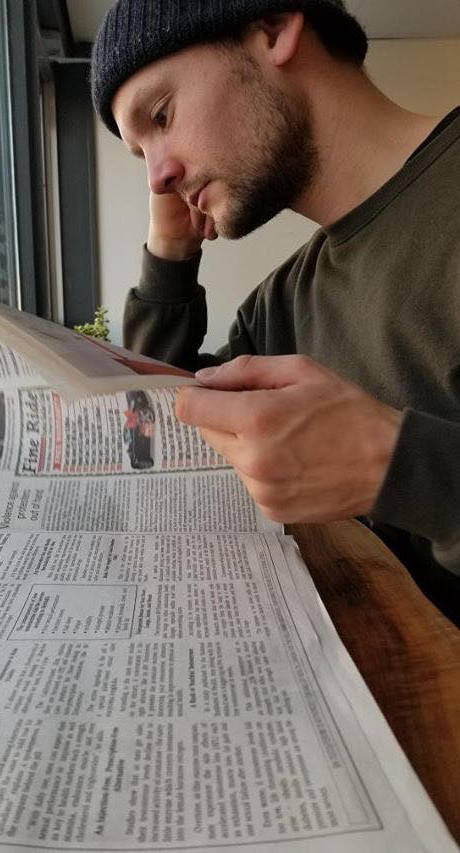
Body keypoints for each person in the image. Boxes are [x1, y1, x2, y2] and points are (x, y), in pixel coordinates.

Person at [91, 0, 460, 623]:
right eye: (141, 154)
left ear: (274, 29)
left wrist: (395, 467)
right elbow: (165, 420)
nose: (157, 177)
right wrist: (170, 256)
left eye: (162, 115)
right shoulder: (284, 301)